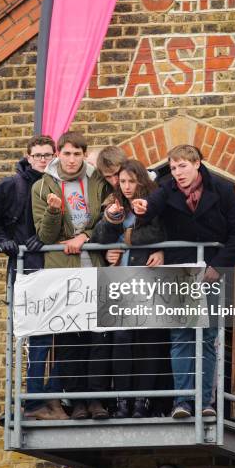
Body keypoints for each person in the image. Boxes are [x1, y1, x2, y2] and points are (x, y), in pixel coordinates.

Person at [132, 145, 235, 419]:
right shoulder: (166, 188)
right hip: (180, 272)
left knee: (207, 338)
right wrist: (142, 208)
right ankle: (183, 402)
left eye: (182, 166)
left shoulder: (221, 189)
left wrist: (218, 267)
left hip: (210, 272)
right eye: (173, 168)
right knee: (182, 336)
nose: (177, 173)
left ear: (197, 163)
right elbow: (151, 212)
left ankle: (205, 402)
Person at [0, 135, 68, 420]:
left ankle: (50, 395)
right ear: (28, 157)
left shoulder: (62, 184)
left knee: (68, 336)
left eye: (47, 154)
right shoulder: (12, 186)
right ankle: (37, 399)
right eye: (37, 155)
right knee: (38, 338)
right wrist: (3, 240)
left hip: (58, 267)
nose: (42, 159)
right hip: (29, 270)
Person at [32, 130, 111, 420]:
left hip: (96, 266)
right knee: (69, 340)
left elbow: (105, 220)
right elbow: (45, 235)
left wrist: (84, 236)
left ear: (83, 155)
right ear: (58, 155)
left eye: (77, 153)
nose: (71, 159)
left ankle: (97, 401)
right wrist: (54, 212)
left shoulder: (97, 181)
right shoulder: (42, 187)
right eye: (66, 153)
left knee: (98, 337)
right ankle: (77, 402)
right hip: (63, 271)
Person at [92, 159, 170, 418]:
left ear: (141, 181)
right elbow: (99, 238)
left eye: (131, 181)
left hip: (148, 281)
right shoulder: (115, 203)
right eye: (122, 181)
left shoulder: (153, 202)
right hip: (119, 283)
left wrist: (129, 240)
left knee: (148, 342)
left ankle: (142, 401)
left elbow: (162, 232)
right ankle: (122, 400)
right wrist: (110, 221)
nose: (126, 186)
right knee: (122, 340)